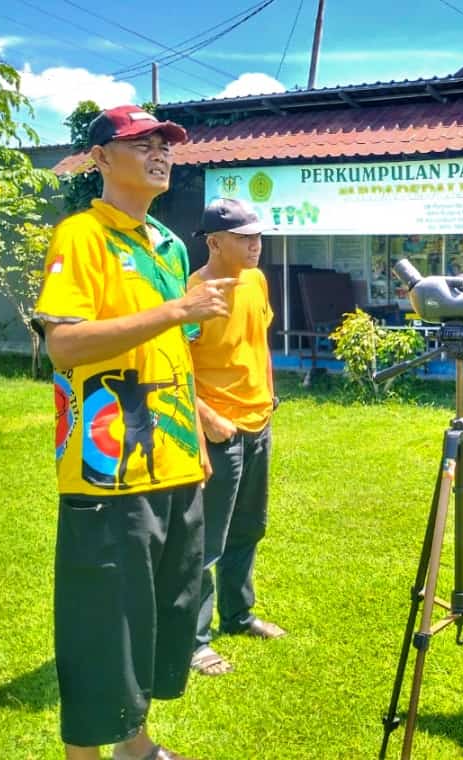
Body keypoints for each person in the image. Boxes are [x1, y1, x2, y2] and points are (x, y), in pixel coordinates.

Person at [33, 105, 236, 760]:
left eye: (165, 144)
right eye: (140, 143)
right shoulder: (82, 236)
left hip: (172, 459)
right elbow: (64, 346)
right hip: (108, 463)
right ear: (101, 160)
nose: (160, 153)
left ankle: (137, 745)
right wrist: (175, 307)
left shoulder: (169, 246)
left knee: (155, 620)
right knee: (102, 626)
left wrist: (197, 436)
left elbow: (172, 351)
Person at [188, 198, 286, 677]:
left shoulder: (256, 280)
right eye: (245, 237)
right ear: (214, 243)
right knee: (206, 538)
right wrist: (206, 418)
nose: (256, 244)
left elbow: (258, 340)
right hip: (218, 428)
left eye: (257, 235)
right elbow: (173, 365)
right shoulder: (195, 292)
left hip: (258, 419)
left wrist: (270, 395)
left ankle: (239, 614)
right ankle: (195, 640)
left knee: (250, 526)